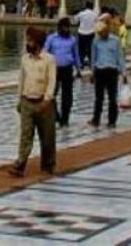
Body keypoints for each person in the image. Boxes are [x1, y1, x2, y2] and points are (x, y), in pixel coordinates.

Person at [11, 26, 57, 177]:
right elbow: (21, 80)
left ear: (38, 43)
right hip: (27, 101)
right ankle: (20, 163)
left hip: (44, 103)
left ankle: (48, 164)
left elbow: (51, 81)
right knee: (26, 134)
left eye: (30, 41)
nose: (28, 43)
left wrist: (47, 99)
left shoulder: (49, 60)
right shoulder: (25, 59)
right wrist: (19, 99)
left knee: (47, 136)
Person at [89, 21, 127, 128]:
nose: (102, 35)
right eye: (100, 33)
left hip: (112, 71)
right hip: (99, 70)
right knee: (98, 97)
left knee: (112, 97)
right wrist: (92, 72)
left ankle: (112, 120)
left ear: (107, 30)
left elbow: (120, 57)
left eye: (103, 32)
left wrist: (124, 73)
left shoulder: (115, 41)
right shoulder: (96, 41)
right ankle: (96, 119)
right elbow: (93, 57)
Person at [44, 17, 80, 125]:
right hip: (54, 68)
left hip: (67, 68)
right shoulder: (52, 38)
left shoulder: (72, 39)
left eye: (68, 27)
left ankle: (65, 118)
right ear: (60, 28)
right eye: (64, 27)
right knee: (52, 93)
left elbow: (76, 55)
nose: (66, 30)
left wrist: (78, 69)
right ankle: (55, 114)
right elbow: (45, 52)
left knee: (67, 94)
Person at [75, 2, 99, 71]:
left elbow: (75, 20)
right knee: (90, 48)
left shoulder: (81, 14)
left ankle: (81, 63)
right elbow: (96, 22)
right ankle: (91, 63)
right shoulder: (94, 14)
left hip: (81, 32)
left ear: (86, 6)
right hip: (91, 33)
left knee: (81, 49)